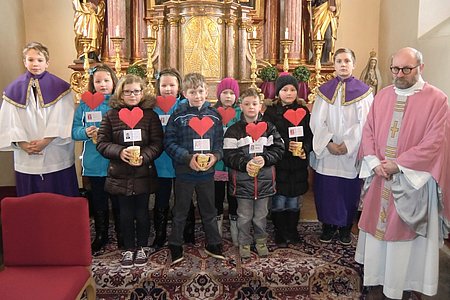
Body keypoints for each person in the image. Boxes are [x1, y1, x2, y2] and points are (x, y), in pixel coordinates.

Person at [355, 47, 450, 299]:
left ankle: (405, 284)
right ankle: (376, 278)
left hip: (414, 181)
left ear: (421, 67)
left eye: (406, 69)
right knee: (378, 231)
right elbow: (369, 130)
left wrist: (399, 164)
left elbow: (436, 141)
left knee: (407, 237)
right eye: (395, 68)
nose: (399, 74)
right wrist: (375, 162)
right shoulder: (383, 96)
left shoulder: (437, 99)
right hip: (381, 176)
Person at [96, 74, 163, 268]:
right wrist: (120, 152)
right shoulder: (110, 115)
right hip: (119, 173)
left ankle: (142, 246)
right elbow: (102, 143)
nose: (132, 95)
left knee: (142, 212)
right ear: (121, 93)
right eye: (128, 92)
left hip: (143, 172)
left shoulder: (151, 115)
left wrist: (145, 156)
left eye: (136, 91)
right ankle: (127, 248)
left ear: (142, 93)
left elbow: (157, 143)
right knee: (124, 213)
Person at [310, 48, 373, 245]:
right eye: (339, 61)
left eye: (347, 61)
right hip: (328, 151)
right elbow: (317, 121)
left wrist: (348, 144)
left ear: (354, 64)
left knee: (348, 190)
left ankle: (345, 227)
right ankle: (328, 226)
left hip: (349, 152)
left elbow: (366, 122)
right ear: (334, 65)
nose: (343, 64)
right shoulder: (323, 91)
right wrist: (328, 143)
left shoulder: (364, 93)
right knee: (326, 189)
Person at [0, 41, 79, 197]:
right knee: (31, 201)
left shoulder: (61, 88)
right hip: (26, 152)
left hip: (55, 150)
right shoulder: (12, 90)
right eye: (30, 60)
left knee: (59, 197)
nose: (35, 64)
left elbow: (63, 118)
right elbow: (9, 120)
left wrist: (46, 141)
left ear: (47, 63)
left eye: (39, 60)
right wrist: (22, 143)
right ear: (24, 62)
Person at [164, 73, 225, 265]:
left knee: (209, 209)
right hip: (185, 172)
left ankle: (213, 242)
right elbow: (169, 142)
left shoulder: (214, 116)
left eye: (200, 91)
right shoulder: (178, 115)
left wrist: (215, 157)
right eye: (192, 92)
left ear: (207, 91)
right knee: (181, 210)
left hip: (207, 173)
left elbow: (219, 144)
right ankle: (175, 243)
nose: (197, 95)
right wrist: (187, 158)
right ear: (184, 93)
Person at [223, 88, 284, 259]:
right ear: (240, 106)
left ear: (260, 106)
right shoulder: (233, 130)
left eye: (255, 104)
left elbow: (279, 148)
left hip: (264, 182)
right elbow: (229, 155)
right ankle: (244, 242)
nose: (251, 107)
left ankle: (261, 240)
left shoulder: (269, 128)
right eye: (247, 104)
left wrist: (265, 158)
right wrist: (245, 164)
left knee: (261, 215)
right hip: (243, 183)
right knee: (244, 216)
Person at [72, 64, 122, 252]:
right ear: (92, 84)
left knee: (118, 199)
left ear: (113, 82)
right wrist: (85, 131)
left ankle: (121, 232)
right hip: (94, 162)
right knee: (99, 199)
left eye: (106, 80)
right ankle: (101, 234)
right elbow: (74, 131)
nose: (102, 84)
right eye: (98, 81)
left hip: (116, 161)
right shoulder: (84, 106)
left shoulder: (120, 104)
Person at [263, 74, 313, 247]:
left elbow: (310, 135)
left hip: (298, 164)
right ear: (278, 92)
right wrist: (284, 145)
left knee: (294, 200)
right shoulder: (271, 113)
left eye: (292, 90)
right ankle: (280, 231)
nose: (289, 93)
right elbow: (268, 135)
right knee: (279, 200)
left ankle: (292, 230)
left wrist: (305, 149)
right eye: (285, 90)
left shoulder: (303, 111)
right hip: (280, 163)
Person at [152, 68, 197, 249]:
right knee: (161, 198)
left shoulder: (187, 106)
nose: (168, 89)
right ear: (158, 86)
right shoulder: (152, 107)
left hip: (181, 160)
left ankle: (188, 232)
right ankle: (160, 233)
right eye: (164, 85)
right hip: (160, 159)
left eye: (172, 85)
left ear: (179, 87)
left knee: (184, 197)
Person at [213, 77, 241, 246]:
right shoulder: (212, 112)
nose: (228, 96)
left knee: (234, 196)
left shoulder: (240, 113)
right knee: (216, 196)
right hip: (216, 164)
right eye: (225, 92)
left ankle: (234, 227)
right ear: (219, 95)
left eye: (232, 93)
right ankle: (216, 229)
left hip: (234, 165)